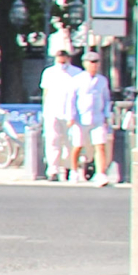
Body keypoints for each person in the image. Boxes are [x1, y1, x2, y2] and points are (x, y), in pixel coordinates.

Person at [38, 47, 85, 181]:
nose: (61, 60)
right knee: (53, 140)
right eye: (59, 57)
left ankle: (68, 168)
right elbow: (45, 92)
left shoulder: (77, 73)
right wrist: (45, 110)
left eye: (63, 57)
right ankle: (53, 169)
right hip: (52, 110)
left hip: (71, 112)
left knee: (70, 141)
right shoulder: (49, 72)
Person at [71, 52, 115, 185]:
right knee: (78, 145)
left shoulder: (102, 80)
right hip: (81, 118)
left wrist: (107, 115)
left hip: (97, 117)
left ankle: (101, 173)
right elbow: (71, 100)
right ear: (85, 64)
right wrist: (71, 116)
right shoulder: (77, 80)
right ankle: (74, 171)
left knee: (100, 145)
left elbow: (106, 99)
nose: (93, 65)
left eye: (96, 62)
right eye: (91, 62)